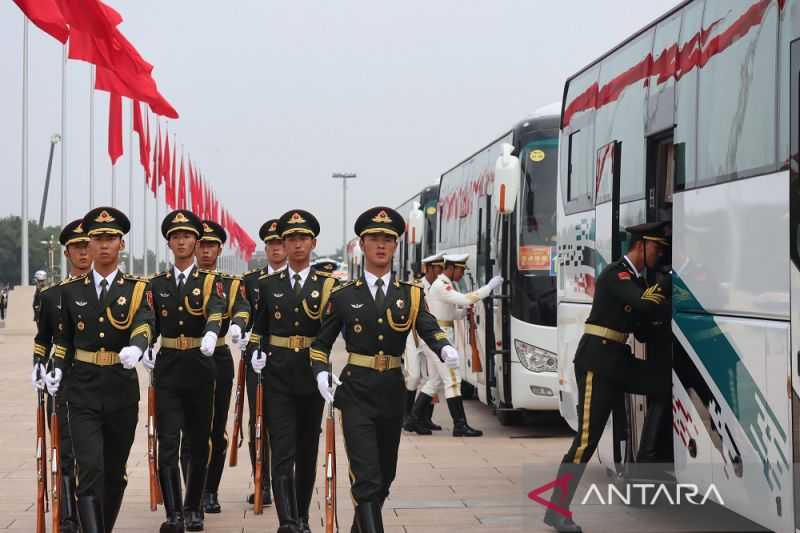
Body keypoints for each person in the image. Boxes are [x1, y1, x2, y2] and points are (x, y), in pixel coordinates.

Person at [309, 207, 459, 533]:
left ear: (395, 246)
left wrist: (444, 347)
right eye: (374, 239)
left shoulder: (411, 294)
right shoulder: (344, 295)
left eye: (388, 240)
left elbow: (429, 328)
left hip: (392, 390)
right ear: (362, 244)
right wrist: (321, 372)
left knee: (384, 478)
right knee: (366, 477)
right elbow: (320, 344)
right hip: (356, 391)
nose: (381, 245)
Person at [543, 222, 672, 533]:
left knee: (663, 386)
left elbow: (643, 321)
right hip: (597, 363)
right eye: (657, 248)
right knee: (586, 441)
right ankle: (556, 510)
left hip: (619, 361)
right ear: (641, 245)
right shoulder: (617, 274)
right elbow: (645, 303)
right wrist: (668, 284)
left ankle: (646, 461)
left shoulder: (637, 280)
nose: (659, 254)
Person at [45, 207, 154, 533]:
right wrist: (54, 370)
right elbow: (63, 340)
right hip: (82, 389)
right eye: (97, 239)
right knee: (88, 469)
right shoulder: (69, 291)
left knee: (114, 472)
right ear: (88, 245)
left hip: (120, 388)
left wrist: (138, 346)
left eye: (110, 238)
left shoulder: (137, 288)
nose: (103, 245)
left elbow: (145, 322)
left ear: (121, 244)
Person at [248, 209, 339, 533]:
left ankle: (301, 515)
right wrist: (256, 354)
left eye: (303, 238)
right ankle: (287, 522)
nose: (297, 244)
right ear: (282, 245)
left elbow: (329, 333)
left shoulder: (328, 285)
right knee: (282, 448)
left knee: (306, 449)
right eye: (291, 239)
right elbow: (259, 328)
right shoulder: (268, 284)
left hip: (312, 376)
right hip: (278, 376)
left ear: (313, 243)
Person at [147, 209, 230, 532]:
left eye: (187, 237)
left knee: (198, 441)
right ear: (169, 243)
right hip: (168, 367)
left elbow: (216, 311)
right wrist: (143, 346)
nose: (182, 241)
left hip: (199, 365)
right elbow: (148, 320)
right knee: (167, 443)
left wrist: (212, 333)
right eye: (176, 237)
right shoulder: (157, 284)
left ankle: (193, 506)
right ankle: (173, 511)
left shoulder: (210, 283)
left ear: (196, 243)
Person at [178, 220, 250, 514]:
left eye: (211, 245)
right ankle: (190, 492)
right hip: (184, 360)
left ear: (219, 249)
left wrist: (237, 325)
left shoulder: (230, 284)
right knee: (187, 430)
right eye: (202, 244)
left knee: (216, 430)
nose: (206, 250)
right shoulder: (181, 282)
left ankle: (210, 490)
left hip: (218, 358)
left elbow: (243, 307)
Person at [30, 218, 92, 533]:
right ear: (67, 252)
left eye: (87, 246)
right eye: (77, 247)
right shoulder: (51, 295)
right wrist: (38, 367)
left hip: (97, 379)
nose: (83, 252)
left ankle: (91, 512)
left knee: (92, 454)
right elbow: (43, 339)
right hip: (63, 377)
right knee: (65, 449)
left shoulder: (107, 291)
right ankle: (69, 516)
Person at [417, 253, 502, 437]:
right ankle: (459, 425)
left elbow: (449, 313)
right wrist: (488, 288)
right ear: (452, 268)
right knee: (452, 380)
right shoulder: (442, 285)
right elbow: (466, 299)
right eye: (461, 270)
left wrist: (462, 313)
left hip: (439, 333)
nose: (462, 274)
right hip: (439, 337)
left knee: (435, 381)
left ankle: (414, 419)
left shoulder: (442, 285)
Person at [240, 218, 287, 507]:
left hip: (288, 362)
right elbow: (244, 312)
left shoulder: (300, 280)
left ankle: (285, 481)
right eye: (270, 244)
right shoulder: (251, 282)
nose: (275, 249)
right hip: (257, 361)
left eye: (279, 244)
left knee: (285, 426)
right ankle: (263, 483)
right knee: (258, 422)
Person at [401, 254, 446, 434]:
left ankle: (425, 418)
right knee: (413, 377)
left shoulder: (442, 286)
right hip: (413, 336)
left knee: (431, 377)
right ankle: (406, 416)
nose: (440, 272)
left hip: (430, 337)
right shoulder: (415, 286)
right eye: (437, 268)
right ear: (429, 269)